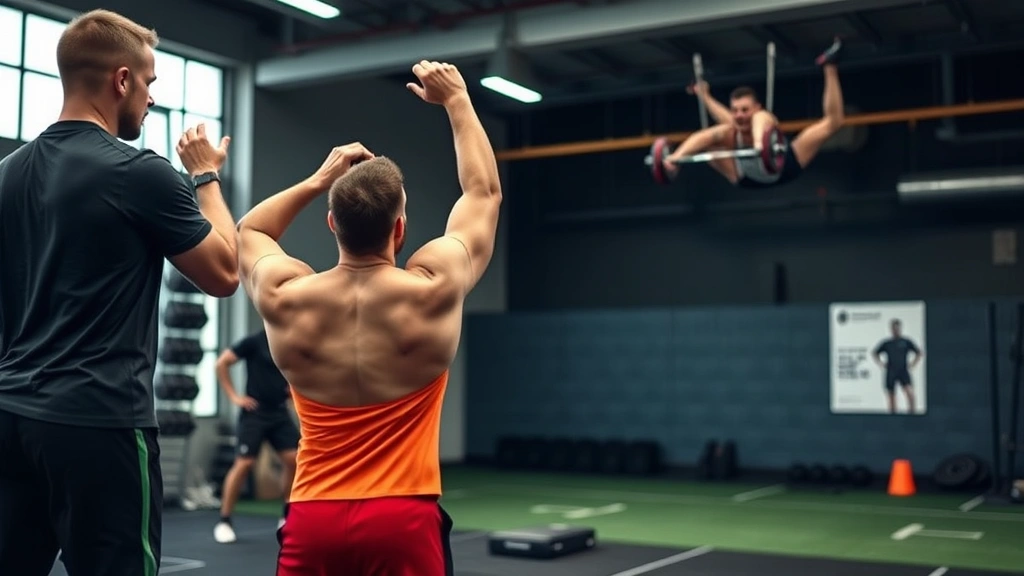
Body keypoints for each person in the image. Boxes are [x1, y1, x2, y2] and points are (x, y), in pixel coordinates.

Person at [235, 60, 501, 575]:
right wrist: (458, 101)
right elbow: (483, 194)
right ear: (400, 228)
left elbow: (250, 232)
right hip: (403, 519)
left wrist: (320, 179)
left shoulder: (286, 296)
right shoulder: (434, 287)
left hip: (313, 517)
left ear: (332, 223)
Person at [0, 9, 239, 576]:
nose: (152, 98)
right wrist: (205, 177)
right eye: (151, 83)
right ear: (122, 79)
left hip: (10, 418)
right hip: (97, 424)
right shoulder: (138, 173)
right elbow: (224, 273)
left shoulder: (6, 174)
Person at [663, 37, 845, 188]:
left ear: (757, 106)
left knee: (833, 123)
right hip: (746, 179)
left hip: (784, 168)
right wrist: (675, 158)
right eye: (735, 110)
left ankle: (830, 67)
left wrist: (759, 145)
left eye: (745, 109)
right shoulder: (731, 129)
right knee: (715, 136)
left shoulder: (763, 117)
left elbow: (757, 119)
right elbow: (704, 136)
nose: (739, 114)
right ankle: (676, 155)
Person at [213, 328, 300, 543]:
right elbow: (221, 363)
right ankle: (224, 521)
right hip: (254, 414)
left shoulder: (288, 342)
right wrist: (235, 397)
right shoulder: (254, 341)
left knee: (294, 460)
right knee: (244, 464)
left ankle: (286, 516)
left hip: (279, 413)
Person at [872, 319, 923, 414]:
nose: (895, 330)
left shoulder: (906, 342)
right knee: (891, 396)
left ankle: (912, 414)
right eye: (893, 328)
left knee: (909, 392)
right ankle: (893, 416)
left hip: (903, 370)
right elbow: (875, 353)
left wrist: (913, 364)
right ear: (891, 329)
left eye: (897, 328)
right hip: (891, 371)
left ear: (900, 328)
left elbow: (919, 352)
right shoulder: (887, 343)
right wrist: (881, 363)